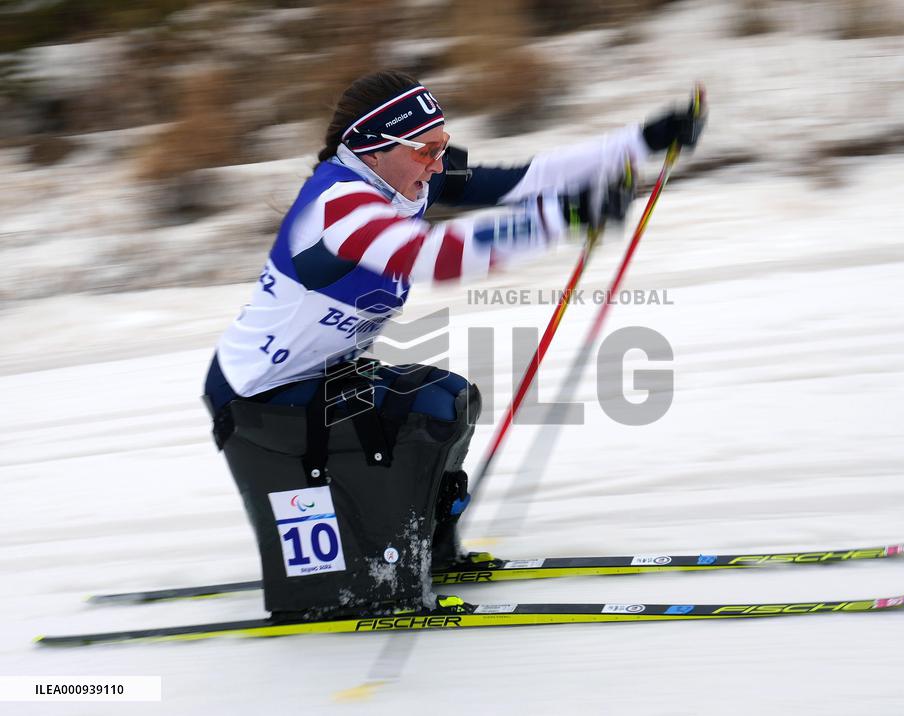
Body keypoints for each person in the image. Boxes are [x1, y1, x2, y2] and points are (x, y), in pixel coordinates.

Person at [204, 70, 705, 621]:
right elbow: (433, 255)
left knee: (449, 401)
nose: (439, 162)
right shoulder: (339, 207)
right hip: (255, 399)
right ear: (371, 150)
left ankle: (424, 552)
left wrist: (642, 141)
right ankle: (370, 577)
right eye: (427, 149)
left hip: (314, 378)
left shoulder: (405, 177)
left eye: (442, 145)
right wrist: (560, 217)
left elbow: (521, 179)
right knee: (420, 419)